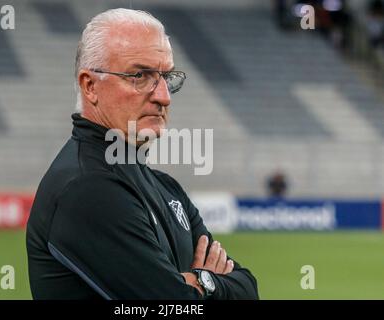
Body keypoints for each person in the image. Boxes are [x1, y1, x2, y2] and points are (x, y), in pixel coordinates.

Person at [26, 8, 258, 300]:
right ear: (90, 86)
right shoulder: (88, 187)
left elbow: (249, 288)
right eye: (140, 75)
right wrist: (206, 281)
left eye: (166, 77)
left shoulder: (164, 185)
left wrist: (199, 283)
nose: (164, 96)